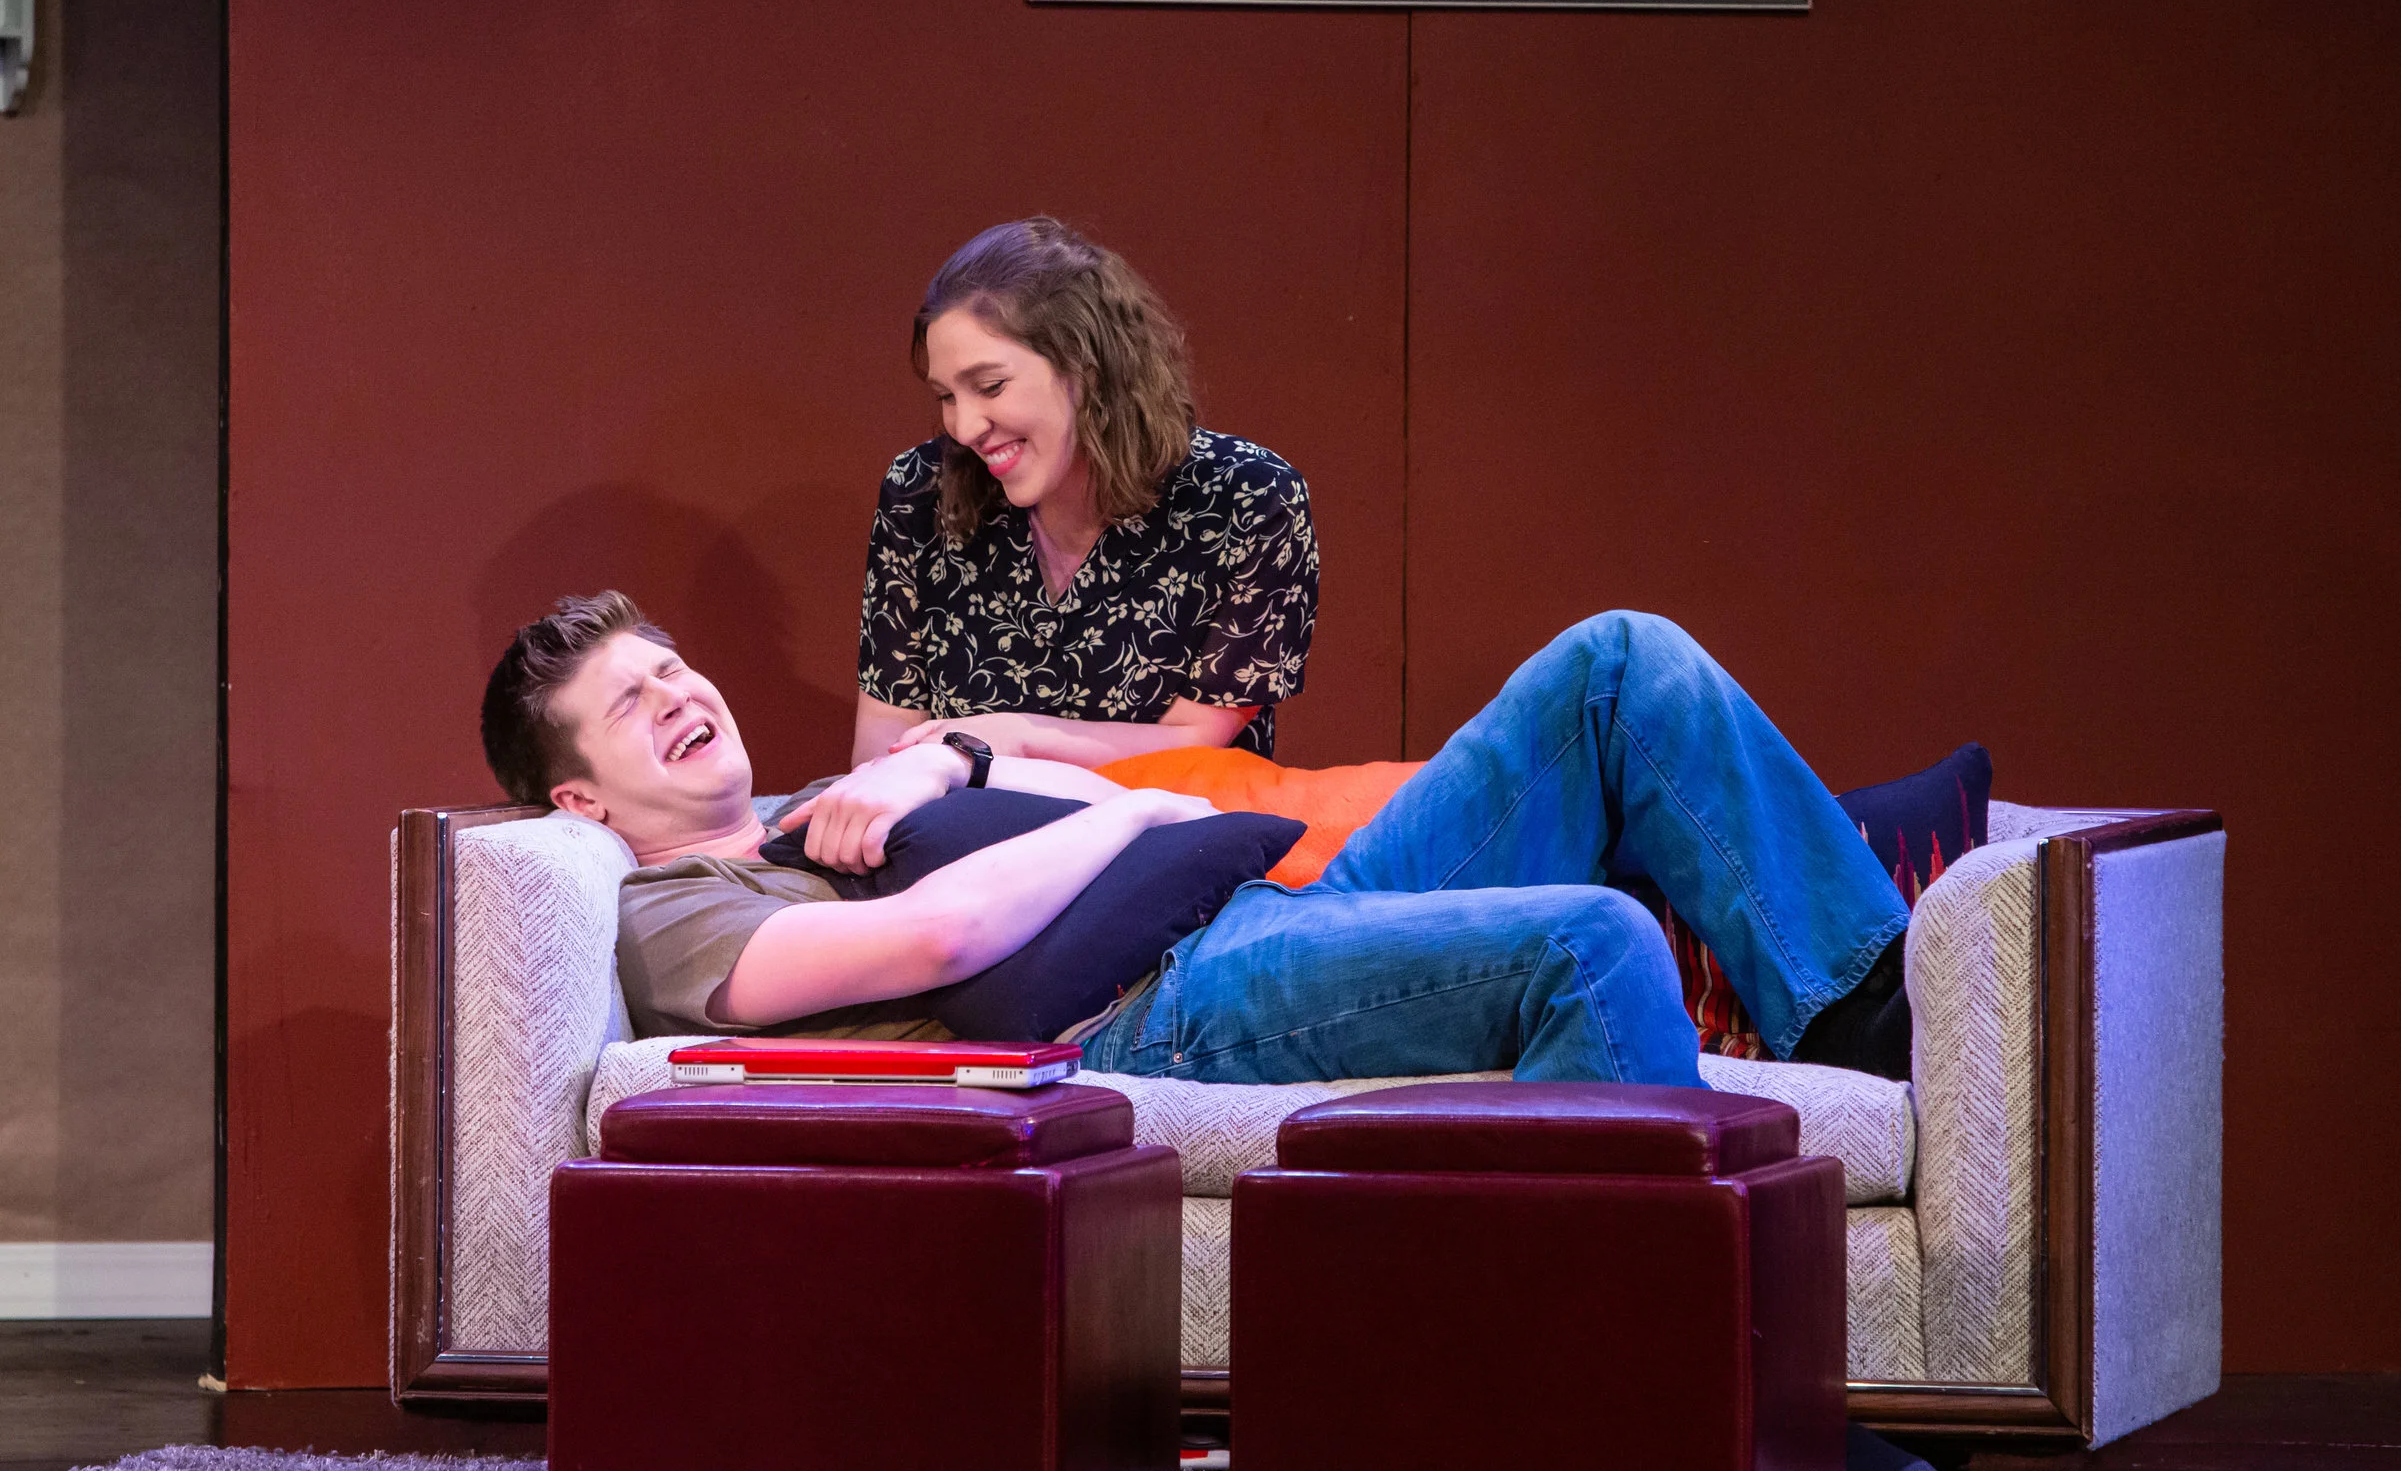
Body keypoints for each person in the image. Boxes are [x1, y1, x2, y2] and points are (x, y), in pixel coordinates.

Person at [480, 592, 1915, 1084]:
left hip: (1259, 915)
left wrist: (951, 762)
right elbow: (936, 938)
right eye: (629, 703)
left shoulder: (834, 804)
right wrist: (1147, 810)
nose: (678, 695)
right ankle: (1687, 1382)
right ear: (580, 801)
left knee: (1621, 661)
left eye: (671, 666)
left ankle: (1868, 1016)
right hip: (1152, 1013)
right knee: (1592, 939)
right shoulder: (668, 911)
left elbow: (1075, 807)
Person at [852, 217, 1318, 768]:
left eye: (990, 386)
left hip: (1158, 817)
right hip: (954, 818)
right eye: (946, 397)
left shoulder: (1248, 498)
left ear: (1087, 366)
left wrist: (1016, 737)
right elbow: (886, 733)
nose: (965, 426)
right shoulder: (920, 491)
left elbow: (1196, 743)